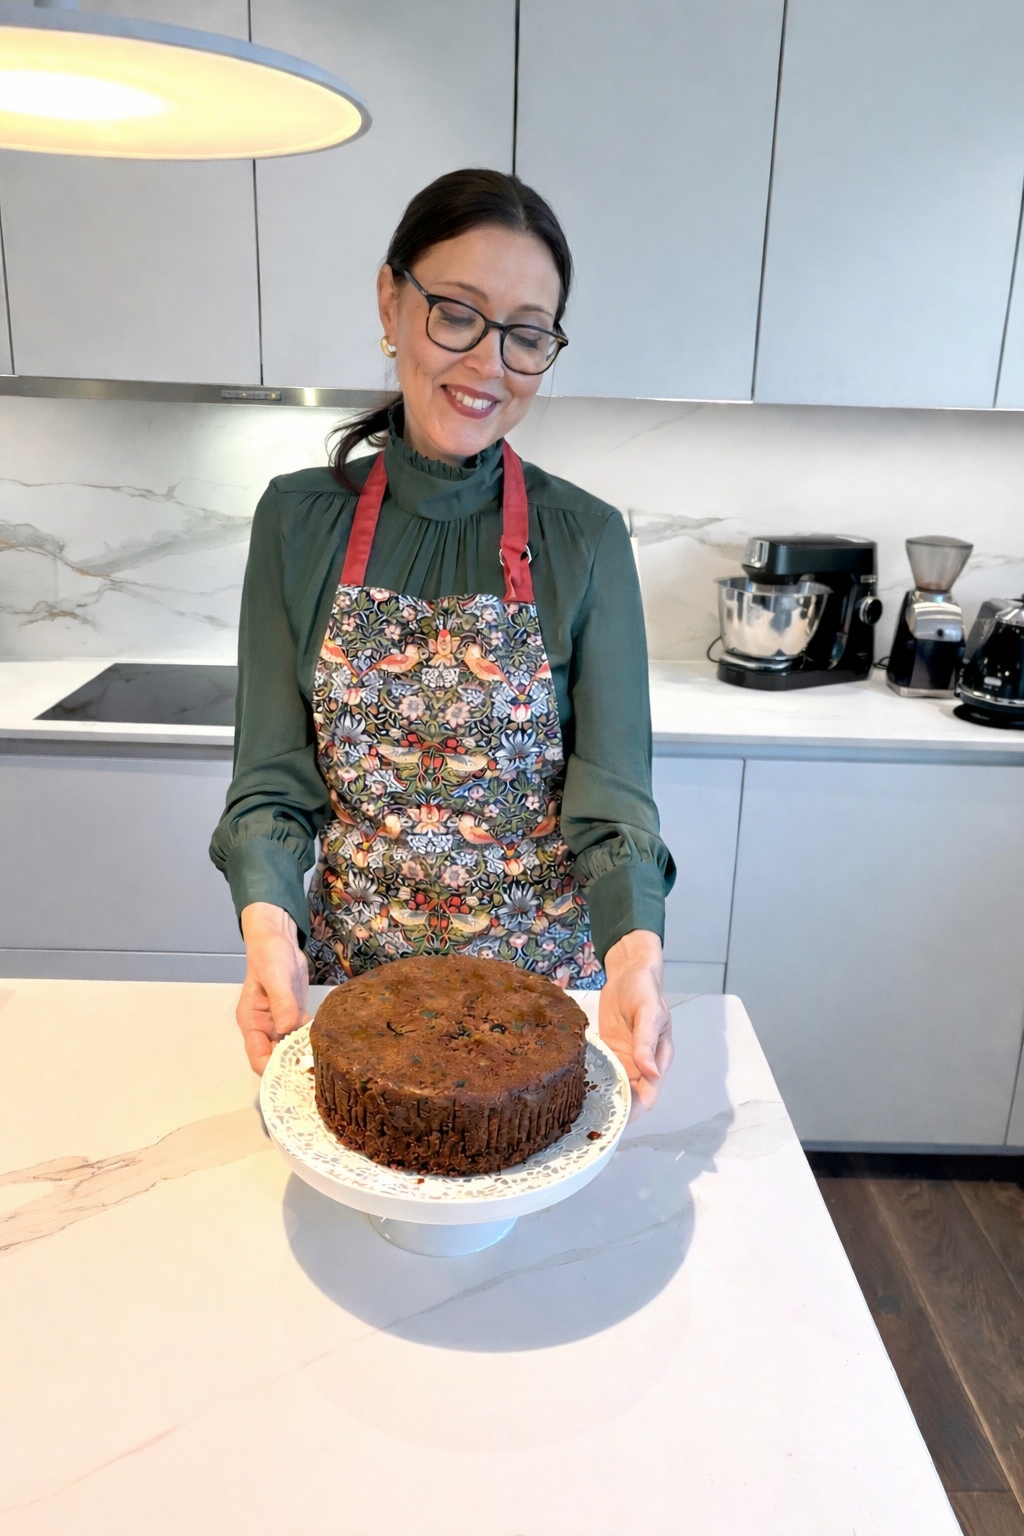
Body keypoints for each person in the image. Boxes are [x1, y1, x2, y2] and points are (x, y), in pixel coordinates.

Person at [210, 168, 676, 1118]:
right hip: (346, 997)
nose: (489, 363)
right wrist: (269, 930)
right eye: (456, 313)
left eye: (527, 333)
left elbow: (612, 796)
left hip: (544, 1008)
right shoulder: (298, 522)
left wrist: (635, 957)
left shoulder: (584, 537)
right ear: (392, 301)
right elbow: (271, 780)